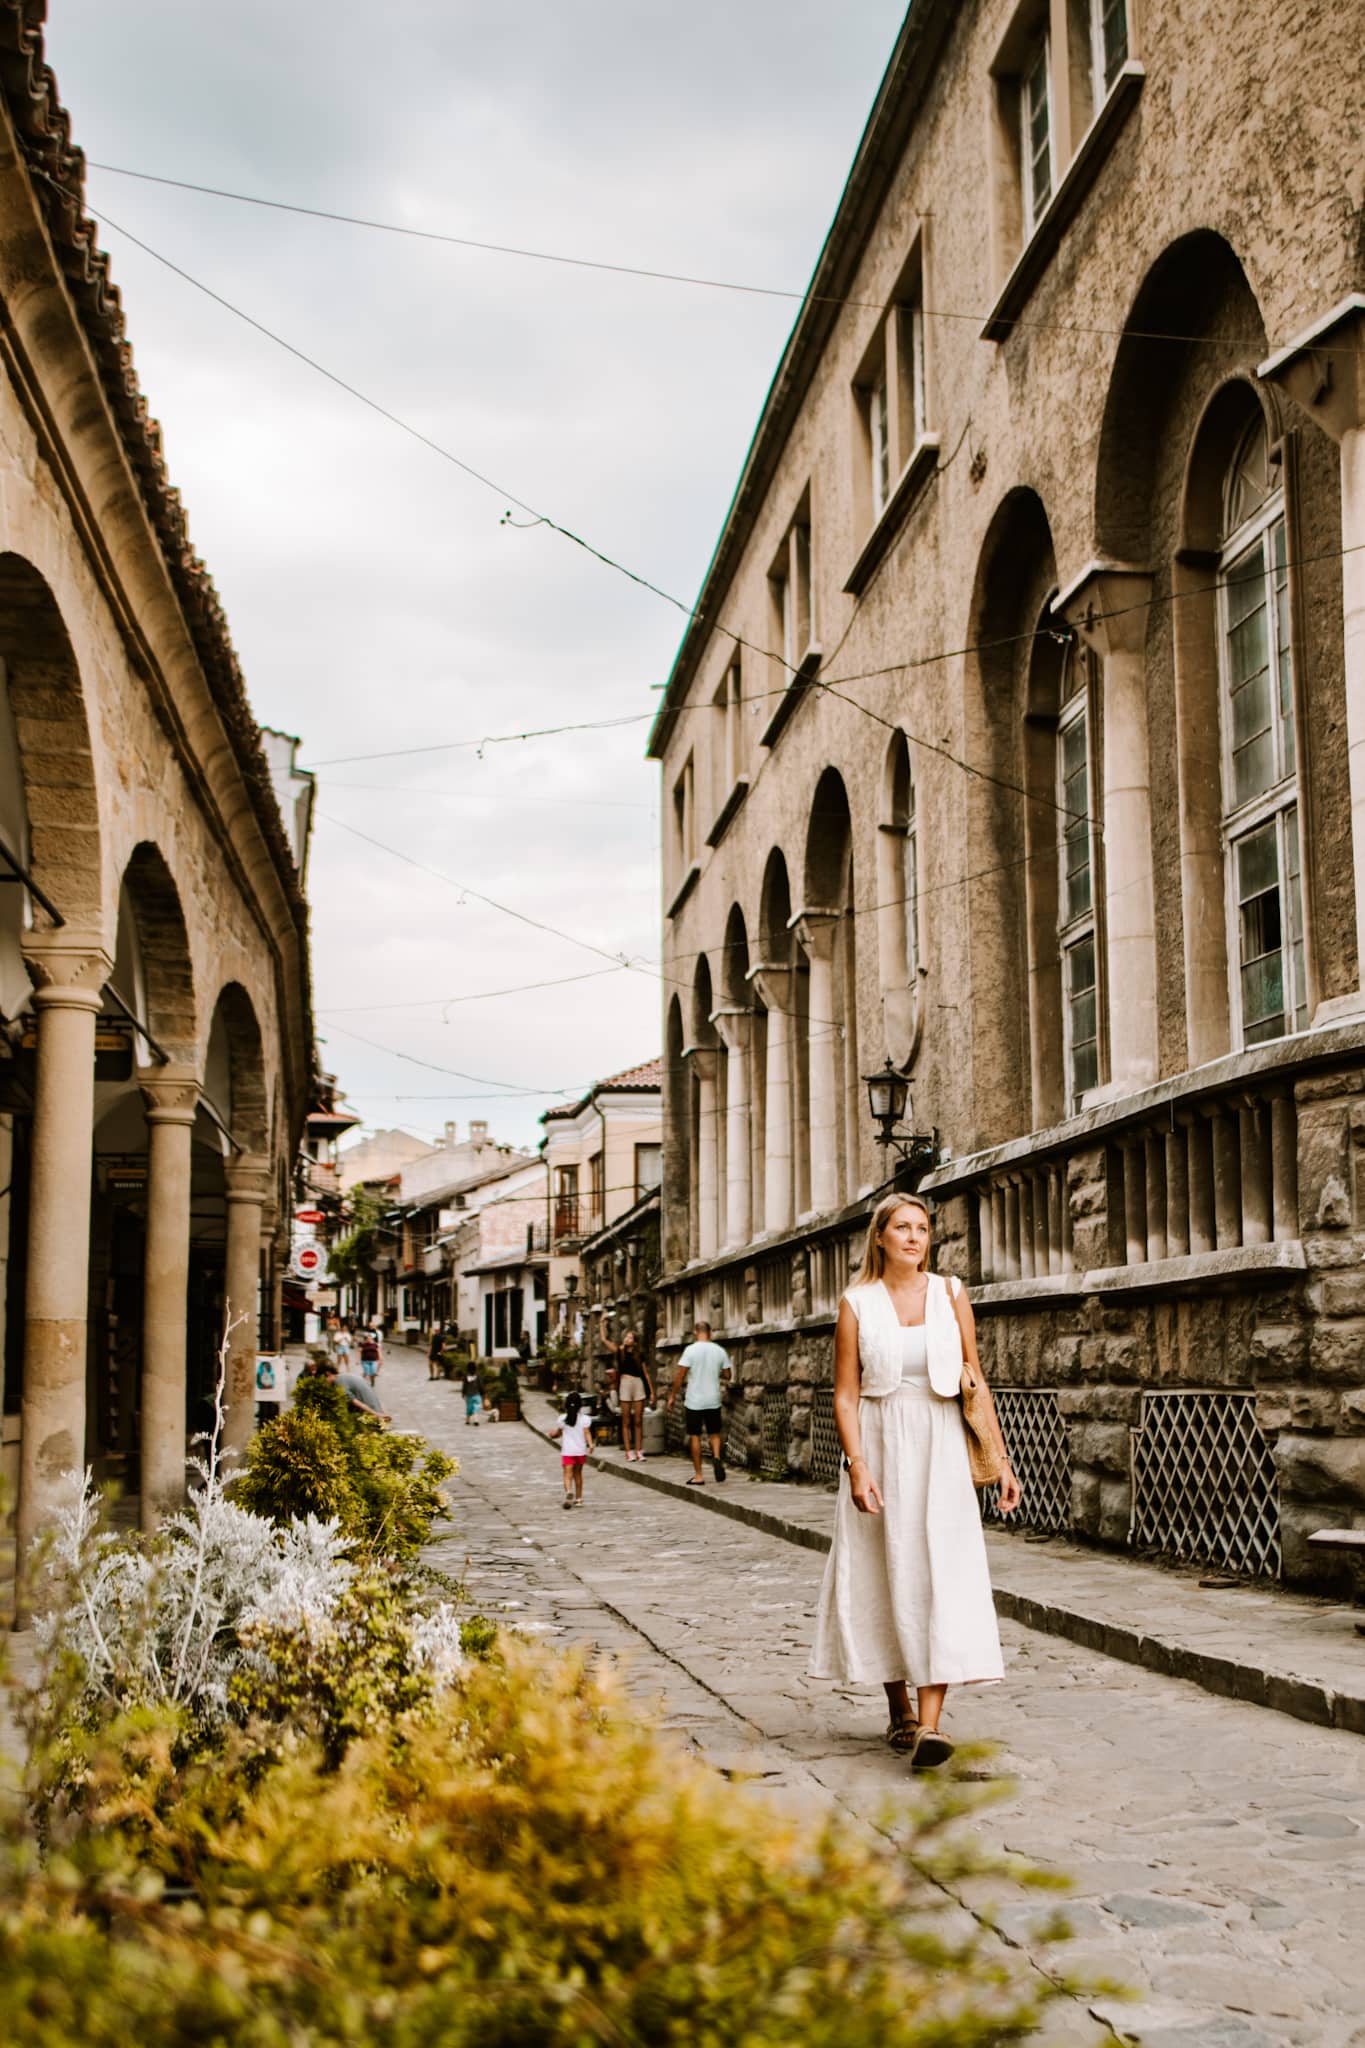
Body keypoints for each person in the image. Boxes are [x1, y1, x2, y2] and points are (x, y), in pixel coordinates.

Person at [809, 1192, 1020, 1770]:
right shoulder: (857, 1303)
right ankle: (899, 1709)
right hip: (879, 1441)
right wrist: (858, 1466)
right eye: (901, 1227)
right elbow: (846, 1396)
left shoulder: (952, 1294)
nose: (913, 1237)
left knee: (941, 1575)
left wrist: (999, 1459)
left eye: (922, 1229)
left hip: (942, 1445)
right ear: (879, 1237)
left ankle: (930, 1726)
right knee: (883, 1571)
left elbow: (974, 1379)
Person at [667, 1321, 731, 1485]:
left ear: (696, 1332)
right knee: (714, 1433)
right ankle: (716, 1457)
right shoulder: (719, 1351)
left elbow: (680, 1376)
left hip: (694, 1400)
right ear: (710, 1332)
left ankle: (699, 1475)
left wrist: (672, 1396)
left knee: (694, 1435)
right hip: (713, 1399)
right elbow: (728, 1374)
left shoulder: (690, 1350)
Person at [599, 1316, 654, 1462]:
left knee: (638, 1420)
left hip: (638, 1384)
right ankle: (628, 1451)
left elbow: (645, 1374)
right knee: (625, 1420)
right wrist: (602, 1323)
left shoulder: (638, 1355)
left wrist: (652, 1392)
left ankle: (639, 1451)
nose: (627, 1338)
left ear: (634, 1342)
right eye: (626, 1336)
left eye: (630, 1337)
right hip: (625, 1384)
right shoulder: (619, 1352)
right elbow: (604, 1340)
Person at [551, 1391, 593, 1509]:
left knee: (567, 1474)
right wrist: (590, 1444)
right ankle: (579, 1499)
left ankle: (569, 1491)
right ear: (580, 1405)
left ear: (566, 1404)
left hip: (568, 1451)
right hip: (580, 1451)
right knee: (578, 1474)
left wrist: (552, 1435)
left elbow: (558, 1433)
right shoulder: (584, 1419)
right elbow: (587, 1432)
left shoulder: (563, 1419)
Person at [461, 1361, 484, 1426]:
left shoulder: (466, 1376)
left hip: (468, 1396)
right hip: (476, 1395)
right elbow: (481, 1385)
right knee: (476, 1407)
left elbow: (464, 1385)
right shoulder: (478, 1375)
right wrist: (483, 1393)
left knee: (469, 1408)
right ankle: (476, 1420)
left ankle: (467, 1420)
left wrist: (463, 1393)